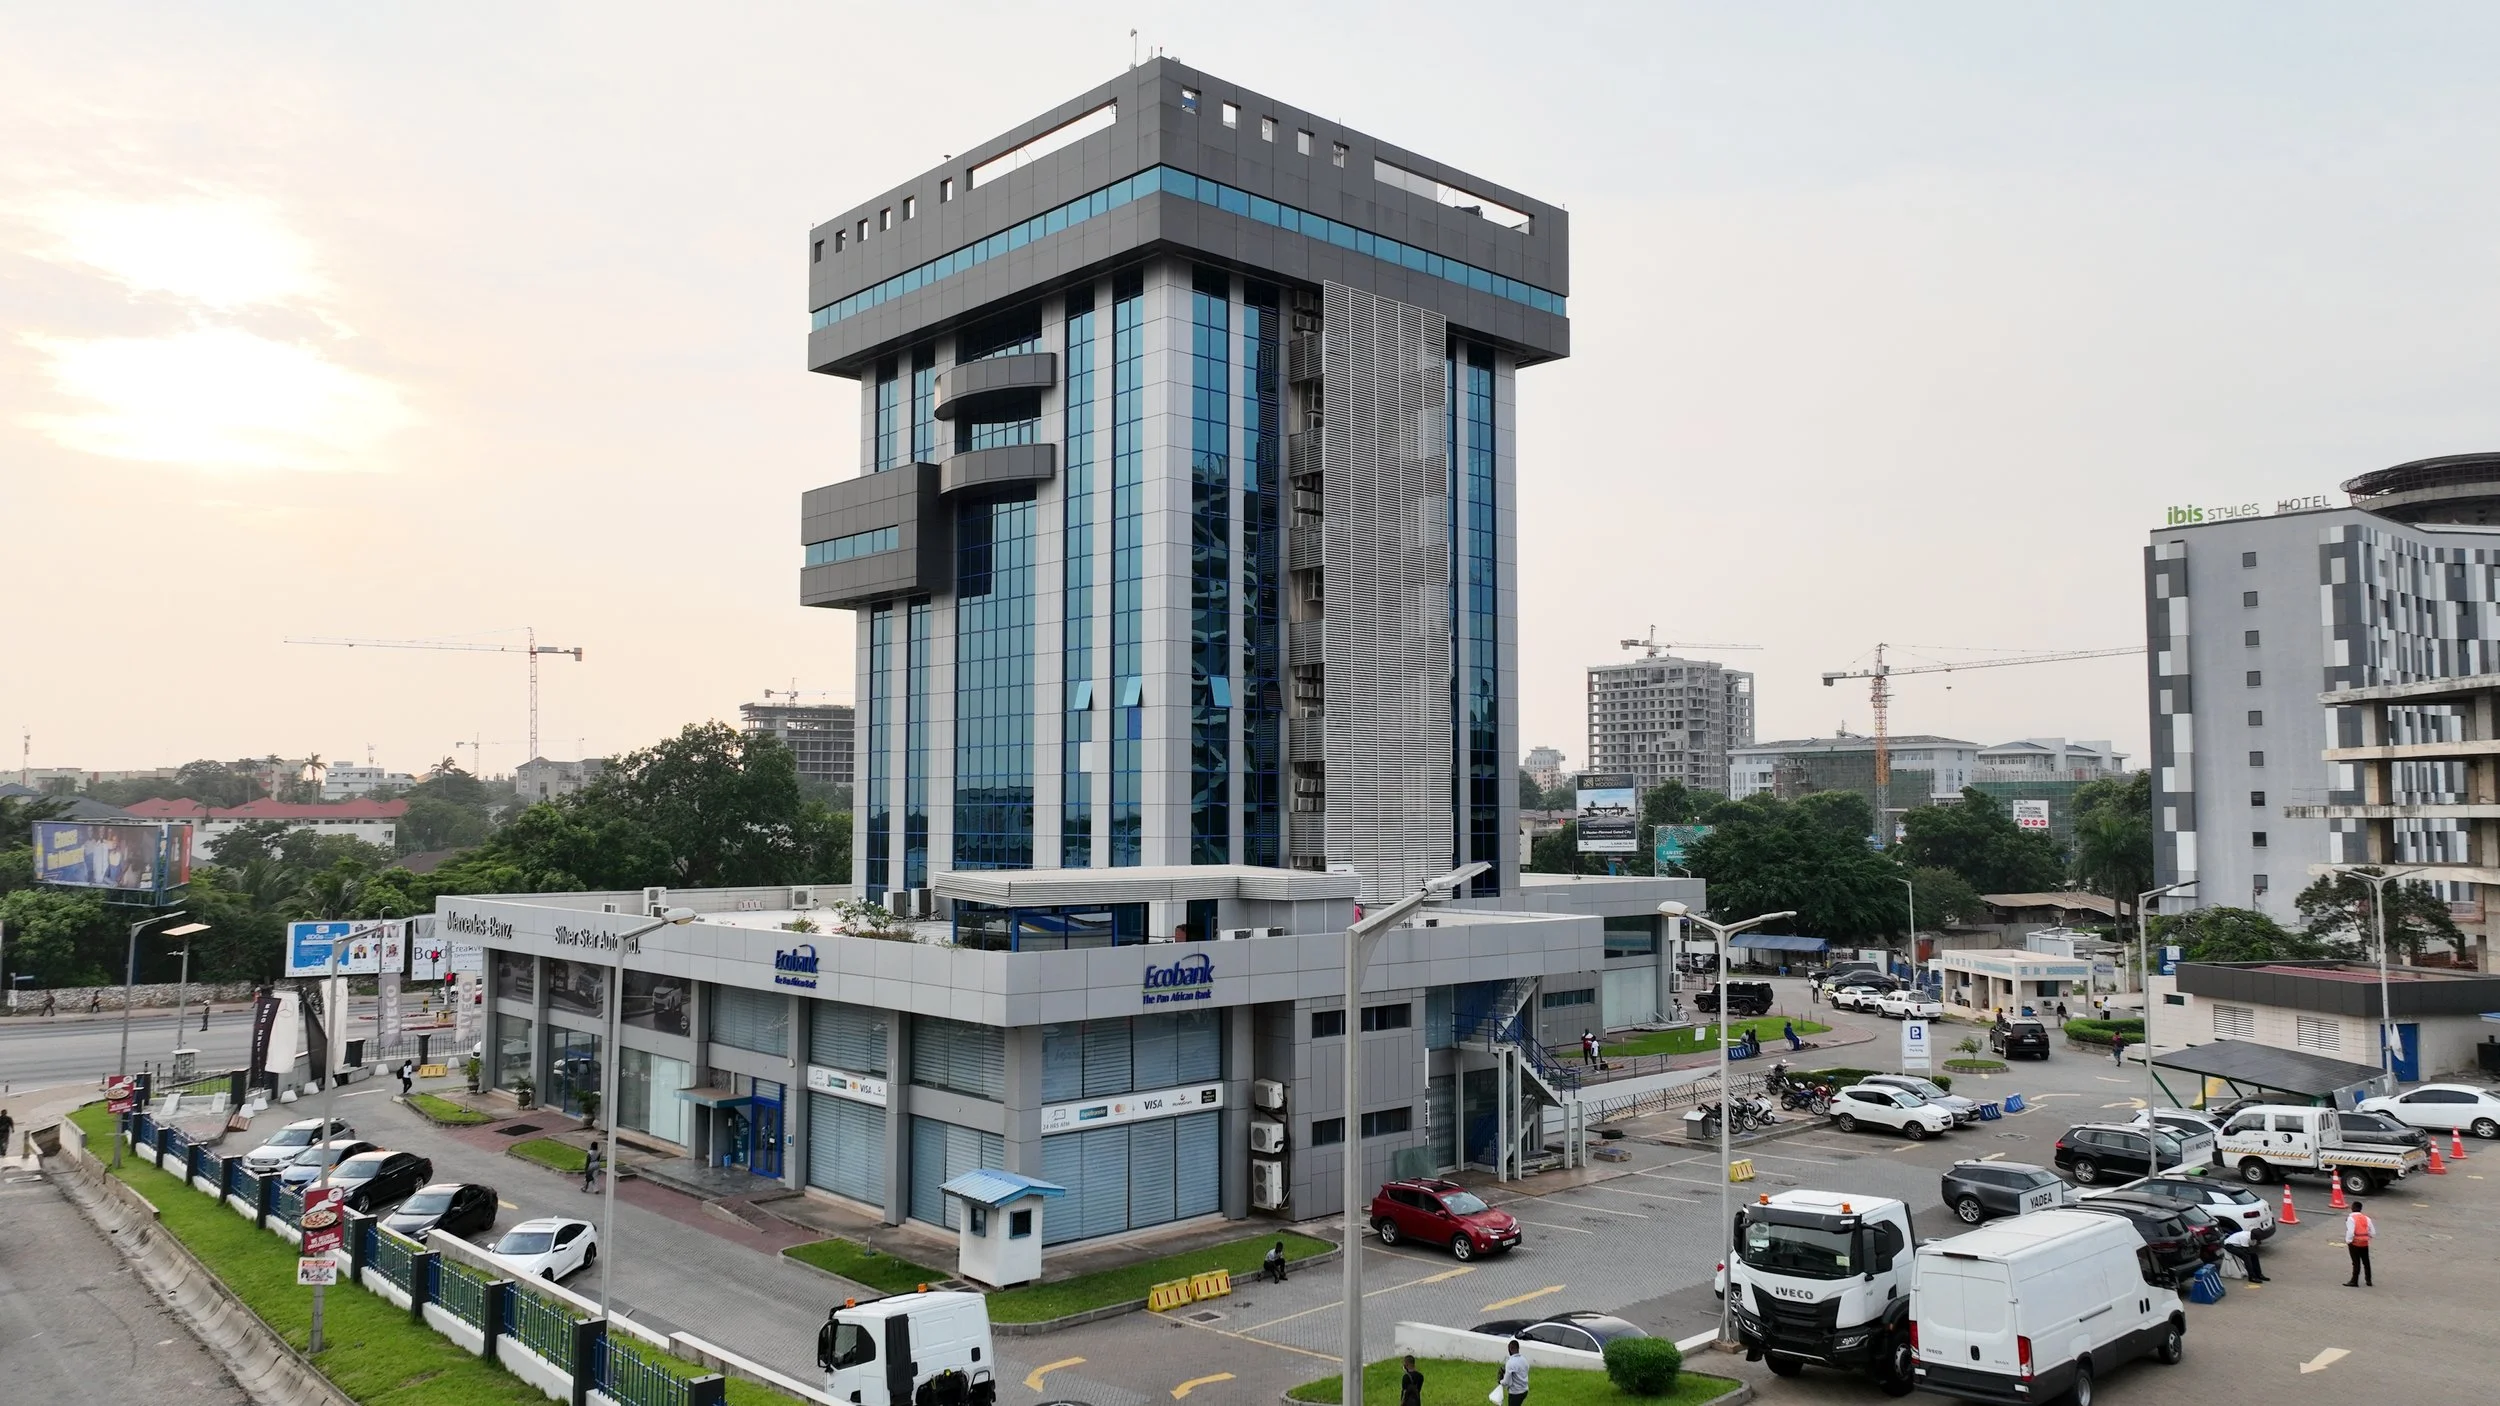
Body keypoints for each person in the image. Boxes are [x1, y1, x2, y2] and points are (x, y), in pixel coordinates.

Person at [2343, 1200, 2374, 1287]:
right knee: (2366, 1261)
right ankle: (2368, 1280)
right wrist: (2367, 1237)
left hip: (2355, 1243)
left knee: (2356, 1262)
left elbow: (2350, 1232)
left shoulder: (2351, 1218)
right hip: (2364, 1242)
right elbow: (2372, 1232)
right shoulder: (2366, 1218)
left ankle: (2354, 1281)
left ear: (2352, 1208)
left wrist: (2348, 1241)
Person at [1500, 1339, 1530, 1406]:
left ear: (1510, 1349)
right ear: (1518, 1348)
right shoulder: (1524, 1360)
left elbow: (1506, 1382)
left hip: (1515, 1393)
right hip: (1525, 1390)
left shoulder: (1510, 1362)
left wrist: (1500, 1381)